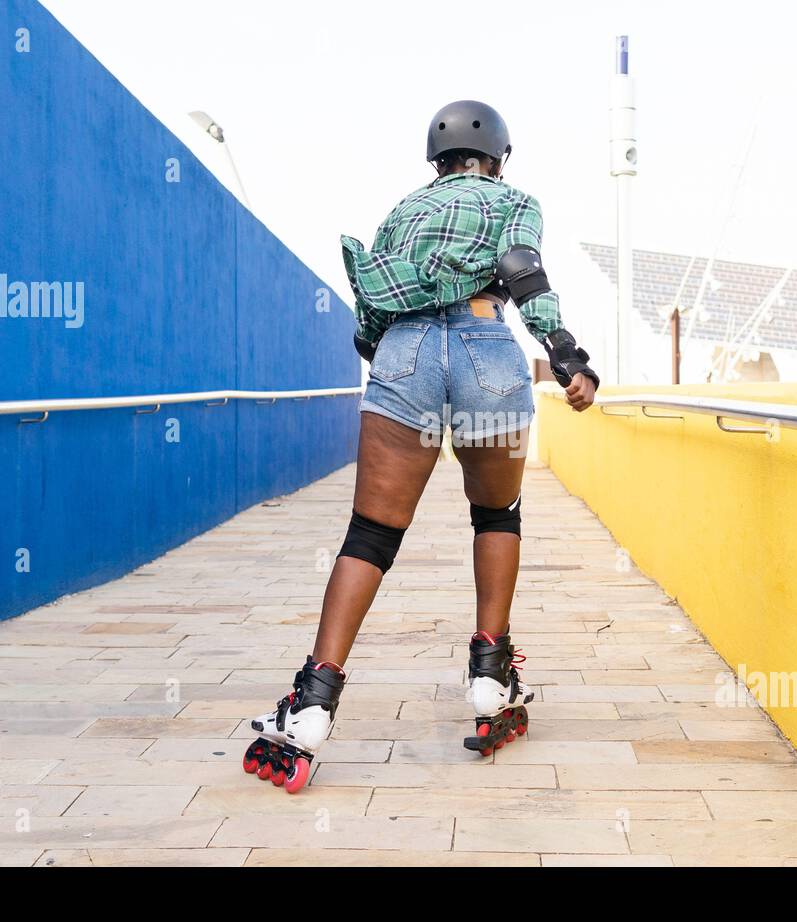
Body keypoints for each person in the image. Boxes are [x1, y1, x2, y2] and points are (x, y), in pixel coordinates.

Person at [243, 100, 600, 793]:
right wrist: (565, 354)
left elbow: (369, 317)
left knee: (370, 534)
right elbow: (523, 268)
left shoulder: (403, 211)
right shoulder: (514, 200)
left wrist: (396, 355)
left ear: (435, 161)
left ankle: (313, 704)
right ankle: (491, 679)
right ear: (498, 155)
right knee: (498, 515)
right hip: (489, 352)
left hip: (403, 352)